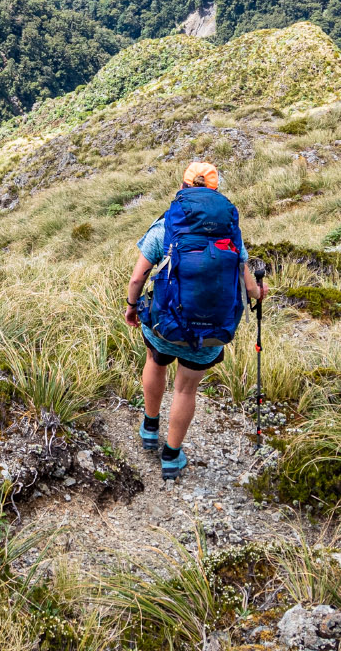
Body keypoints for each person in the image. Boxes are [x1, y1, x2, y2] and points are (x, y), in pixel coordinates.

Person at [124, 160, 266, 480]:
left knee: (155, 361)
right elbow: (249, 287)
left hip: (165, 324)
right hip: (211, 331)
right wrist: (260, 292)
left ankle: (149, 428)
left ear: (184, 187)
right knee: (186, 390)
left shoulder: (166, 226)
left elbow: (137, 278)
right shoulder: (231, 233)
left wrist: (132, 307)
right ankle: (171, 457)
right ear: (215, 191)